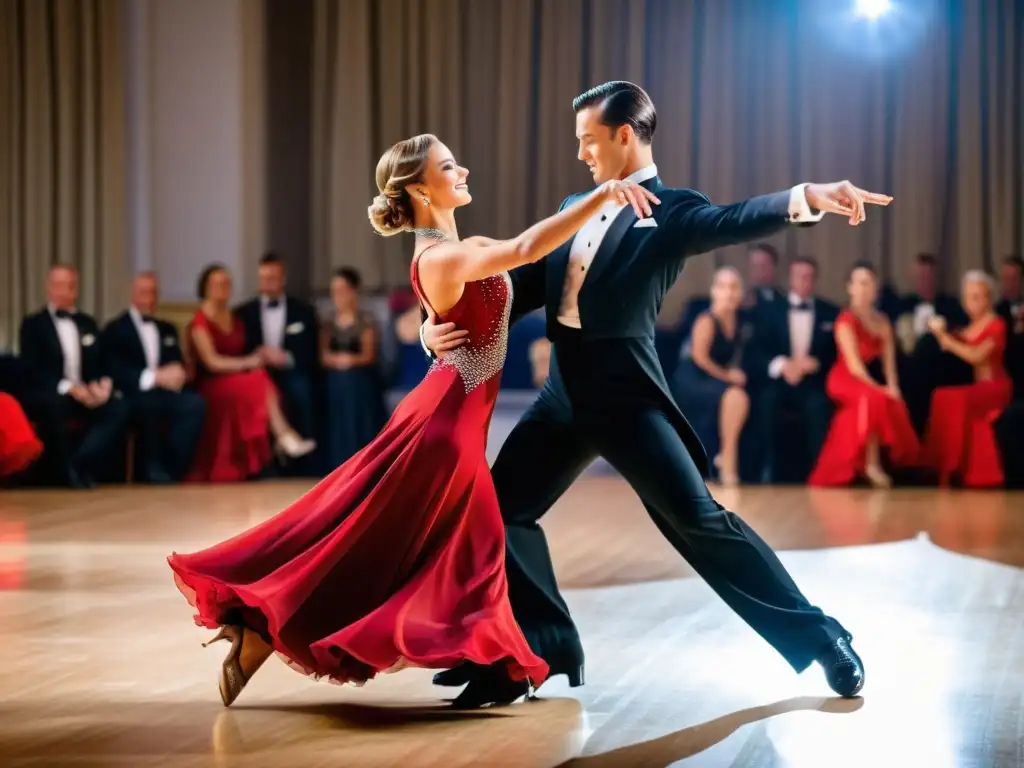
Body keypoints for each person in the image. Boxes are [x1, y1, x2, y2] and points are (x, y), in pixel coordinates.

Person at [423, 81, 891, 706]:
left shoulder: (671, 212)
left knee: (700, 523)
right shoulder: (575, 204)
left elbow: (733, 220)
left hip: (627, 400)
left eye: (589, 140)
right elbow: (516, 289)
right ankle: (539, 650)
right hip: (563, 397)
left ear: (624, 135)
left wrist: (809, 197)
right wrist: (437, 326)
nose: (583, 154)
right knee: (501, 512)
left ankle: (823, 640)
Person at [167, 134, 659, 708]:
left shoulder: (442, 251)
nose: (464, 168)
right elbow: (526, 247)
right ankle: (498, 662)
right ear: (422, 189)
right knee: (440, 549)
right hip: (444, 429)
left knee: (382, 542)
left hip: (447, 415)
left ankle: (270, 631)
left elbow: (454, 314)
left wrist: (429, 333)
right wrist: (604, 195)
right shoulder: (445, 255)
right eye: (450, 166)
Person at [185, 265, 315, 482]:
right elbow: (212, 362)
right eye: (219, 283)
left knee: (259, 379)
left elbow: (245, 349)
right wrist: (248, 362)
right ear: (206, 287)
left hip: (237, 379)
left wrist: (257, 357)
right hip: (213, 384)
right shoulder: (200, 320)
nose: (224, 287)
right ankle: (283, 435)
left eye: (227, 283)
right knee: (258, 379)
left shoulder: (234, 316)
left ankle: (278, 443)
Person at [18, 265, 132, 487]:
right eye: (58, 285)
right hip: (53, 392)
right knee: (55, 406)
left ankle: (80, 463)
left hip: (86, 392)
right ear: (49, 288)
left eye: (69, 286)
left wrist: (102, 384)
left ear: (75, 290)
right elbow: (31, 370)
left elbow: (101, 362)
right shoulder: (33, 324)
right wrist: (68, 387)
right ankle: (65, 472)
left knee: (120, 406)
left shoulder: (87, 323)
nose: (63, 291)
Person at [808, 262, 920, 488]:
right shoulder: (845, 320)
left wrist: (893, 387)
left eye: (868, 283)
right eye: (858, 283)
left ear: (875, 287)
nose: (863, 288)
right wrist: (880, 389)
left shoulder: (882, 321)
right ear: (850, 287)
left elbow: (889, 365)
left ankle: (870, 466)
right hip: (844, 378)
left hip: (864, 380)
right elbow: (854, 366)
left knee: (890, 400)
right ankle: (871, 465)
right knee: (873, 398)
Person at [102, 272, 206, 483]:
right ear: (133, 294)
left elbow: (176, 361)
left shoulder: (166, 328)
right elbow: (115, 369)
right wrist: (152, 377)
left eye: (153, 293)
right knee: (145, 408)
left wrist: (178, 373)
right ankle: (150, 469)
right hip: (134, 391)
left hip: (166, 391)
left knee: (195, 404)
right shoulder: (115, 329)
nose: (149, 298)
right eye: (144, 292)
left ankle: (171, 467)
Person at [921, 270, 1013, 488]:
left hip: (995, 388)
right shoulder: (971, 326)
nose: (970, 302)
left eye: (976, 296)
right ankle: (942, 466)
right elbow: (950, 343)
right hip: (978, 388)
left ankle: (950, 466)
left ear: (988, 297)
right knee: (941, 396)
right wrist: (941, 331)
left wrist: (946, 338)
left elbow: (976, 356)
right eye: (967, 297)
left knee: (954, 398)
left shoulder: (996, 324)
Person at [235, 253, 320, 473]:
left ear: (283, 278)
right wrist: (259, 356)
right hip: (257, 372)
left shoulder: (303, 310)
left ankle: (305, 464)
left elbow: (311, 349)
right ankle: (264, 466)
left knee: (301, 389)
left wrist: (285, 357)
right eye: (264, 277)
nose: (268, 281)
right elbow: (238, 348)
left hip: (291, 370)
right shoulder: (242, 313)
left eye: (273, 276)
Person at [671, 266, 751, 486]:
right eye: (724, 287)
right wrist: (728, 376)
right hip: (692, 379)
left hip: (714, 378)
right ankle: (728, 461)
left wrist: (734, 374)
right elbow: (700, 357)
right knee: (736, 397)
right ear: (715, 291)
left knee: (737, 397)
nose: (729, 293)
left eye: (734, 288)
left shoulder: (739, 321)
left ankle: (727, 457)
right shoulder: (706, 319)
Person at [321, 266, 388, 469]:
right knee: (336, 382)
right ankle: (338, 459)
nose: (338, 296)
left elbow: (368, 356)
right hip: (335, 377)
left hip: (360, 375)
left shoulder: (366, 321)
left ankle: (360, 456)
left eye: (342, 290)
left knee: (352, 382)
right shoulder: (328, 323)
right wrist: (337, 362)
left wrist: (348, 361)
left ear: (353, 291)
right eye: (334, 291)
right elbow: (323, 355)